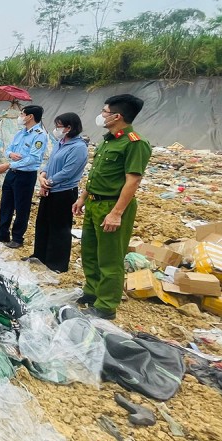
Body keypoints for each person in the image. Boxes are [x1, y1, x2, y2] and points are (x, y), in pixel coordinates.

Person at [72, 94, 151, 320]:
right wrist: (82, 198)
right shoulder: (109, 140)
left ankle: (106, 305)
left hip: (112, 206)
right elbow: (98, 175)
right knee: (90, 252)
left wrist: (116, 213)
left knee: (109, 257)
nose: (101, 115)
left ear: (117, 116)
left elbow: (133, 181)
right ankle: (92, 291)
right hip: (94, 203)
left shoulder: (135, 143)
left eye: (105, 112)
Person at [28, 112, 88, 273]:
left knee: (59, 228)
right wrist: (42, 176)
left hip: (64, 192)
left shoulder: (78, 147)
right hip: (49, 189)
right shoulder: (60, 142)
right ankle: (40, 255)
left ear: (69, 127)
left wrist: (49, 182)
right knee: (43, 223)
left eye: (59, 126)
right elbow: (50, 162)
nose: (56, 129)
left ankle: (57, 263)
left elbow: (68, 171)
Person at [0, 105, 48, 248]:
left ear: (30, 116)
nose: (20, 116)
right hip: (12, 174)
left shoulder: (39, 135)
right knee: (6, 204)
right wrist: (10, 155)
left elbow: (33, 159)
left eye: (22, 114)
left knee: (22, 207)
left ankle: (18, 238)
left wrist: (8, 165)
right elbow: (8, 149)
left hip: (25, 176)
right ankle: (2, 234)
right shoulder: (21, 133)